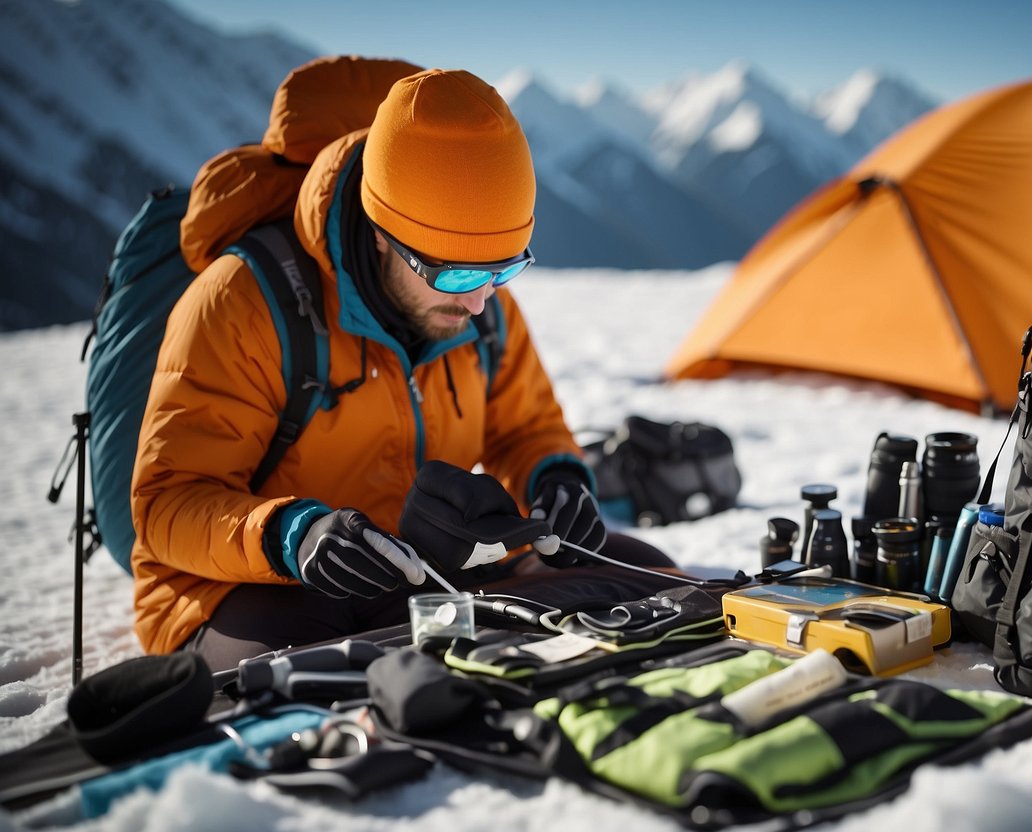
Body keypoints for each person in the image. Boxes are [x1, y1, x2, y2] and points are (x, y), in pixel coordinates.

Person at [129, 67, 678, 670]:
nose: (478, 302)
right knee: (331, 675)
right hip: (251, 586)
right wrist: (294, 535)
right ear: (383, 233)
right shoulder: (243, 302)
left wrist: (556, 479)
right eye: (457, 275)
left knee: (652, 587)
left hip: (426, 567)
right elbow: (167, 503)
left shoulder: (484, 302)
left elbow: (526, 428)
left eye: (502, 269)